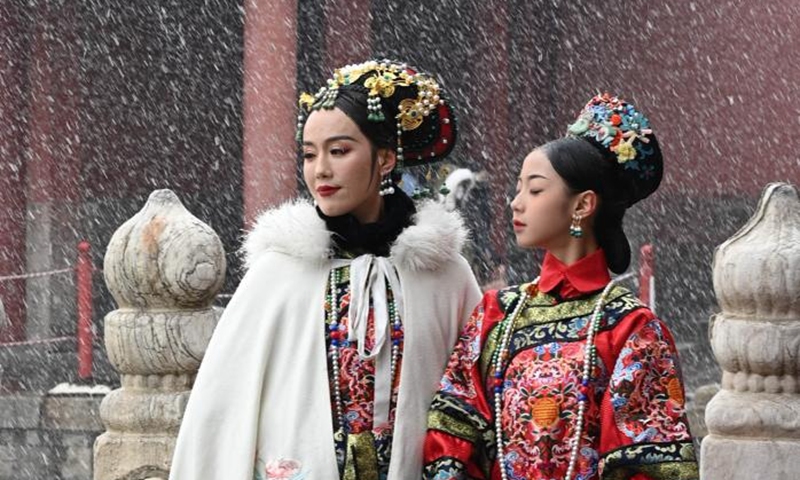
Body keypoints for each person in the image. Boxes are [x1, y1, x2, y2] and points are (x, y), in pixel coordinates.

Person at [169, 59, 482, 480]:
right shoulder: (278, 273)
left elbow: (474, 400)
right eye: (310, 154)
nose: (321, 170)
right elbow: (221, 409)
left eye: (339, 151)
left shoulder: (444, 275)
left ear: (385, 157)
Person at [423, 93, 699, 480]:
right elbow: (453, 430)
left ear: (583, 205)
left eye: (535, 190)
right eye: (518, 189)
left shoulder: (631, 329)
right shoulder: (495, 314)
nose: (516, 204)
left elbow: (649, 463)